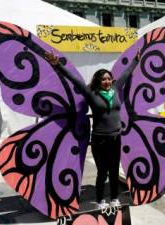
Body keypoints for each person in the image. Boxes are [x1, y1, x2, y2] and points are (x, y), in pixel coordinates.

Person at [45, 50, 140, 209]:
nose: (107, 81)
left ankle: (115, 198)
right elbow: (73, 79)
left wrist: (136, 60)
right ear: (98, 80)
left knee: (114, 170)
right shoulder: (90, 92)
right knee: (102, 171)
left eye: (109, 78)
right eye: (104, 79)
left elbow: (127, 72)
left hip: (116, 137)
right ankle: (100, 200)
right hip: (99, 139)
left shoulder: (116, 88)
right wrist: (57, 65)